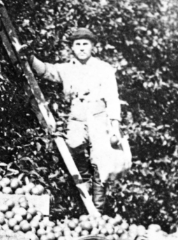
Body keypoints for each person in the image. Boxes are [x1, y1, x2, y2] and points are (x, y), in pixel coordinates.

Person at [29, 28, 131, 213]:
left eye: (86, 44)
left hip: (99, 118)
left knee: (101, 161)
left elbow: (112, 97)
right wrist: (30, 57)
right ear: (72, 48)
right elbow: (46, 70)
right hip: (77, 117)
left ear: (93, 46)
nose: (82, 48)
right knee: (72, 147)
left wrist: (115, 126)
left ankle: (97, 209)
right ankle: (84, 196)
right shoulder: (67, 68)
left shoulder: (103, 68)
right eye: (78, 44)